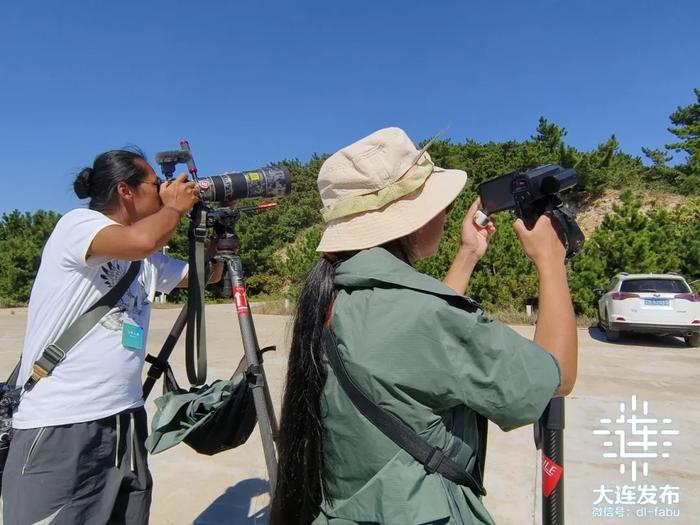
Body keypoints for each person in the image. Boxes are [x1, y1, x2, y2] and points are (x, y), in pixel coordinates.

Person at [271, 127, 577, 525]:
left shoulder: (333, 295)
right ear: (410, 222)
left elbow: (415, 345)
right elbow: (556, 375)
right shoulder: (424, 315)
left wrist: (467, 254)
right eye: (441, 204)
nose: (447, 213)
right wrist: (551, 262)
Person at [1, 148, 220, 524]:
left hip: (124, 419)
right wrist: (175, 209)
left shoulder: (146, 262)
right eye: (156, 185)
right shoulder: (78, 225)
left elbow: (208, 275)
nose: (164, 190)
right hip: (63, 423)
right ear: (126, 191)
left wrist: (220, 232)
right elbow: (141, 241)